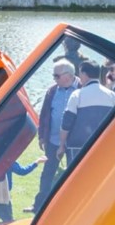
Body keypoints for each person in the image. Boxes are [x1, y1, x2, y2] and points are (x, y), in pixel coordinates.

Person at [28, 60, 78, 214]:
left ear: (68, 76)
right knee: (47, 173)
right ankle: (38, 206)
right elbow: (44, 115)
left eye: (57, 76)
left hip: (73, 143)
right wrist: (42, 137)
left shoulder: (82, 89)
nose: (54, 79)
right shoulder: (52, 91)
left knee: (74, 174)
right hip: (53, 140)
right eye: (53, 76)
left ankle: (70, 207)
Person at [61, 59, 115, 164]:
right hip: (102, 145)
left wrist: (61, 145)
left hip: (77, 147)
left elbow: (66, 123)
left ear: (84, 74)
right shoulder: (111, 95)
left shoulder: (77, 95)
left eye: (80, 72)